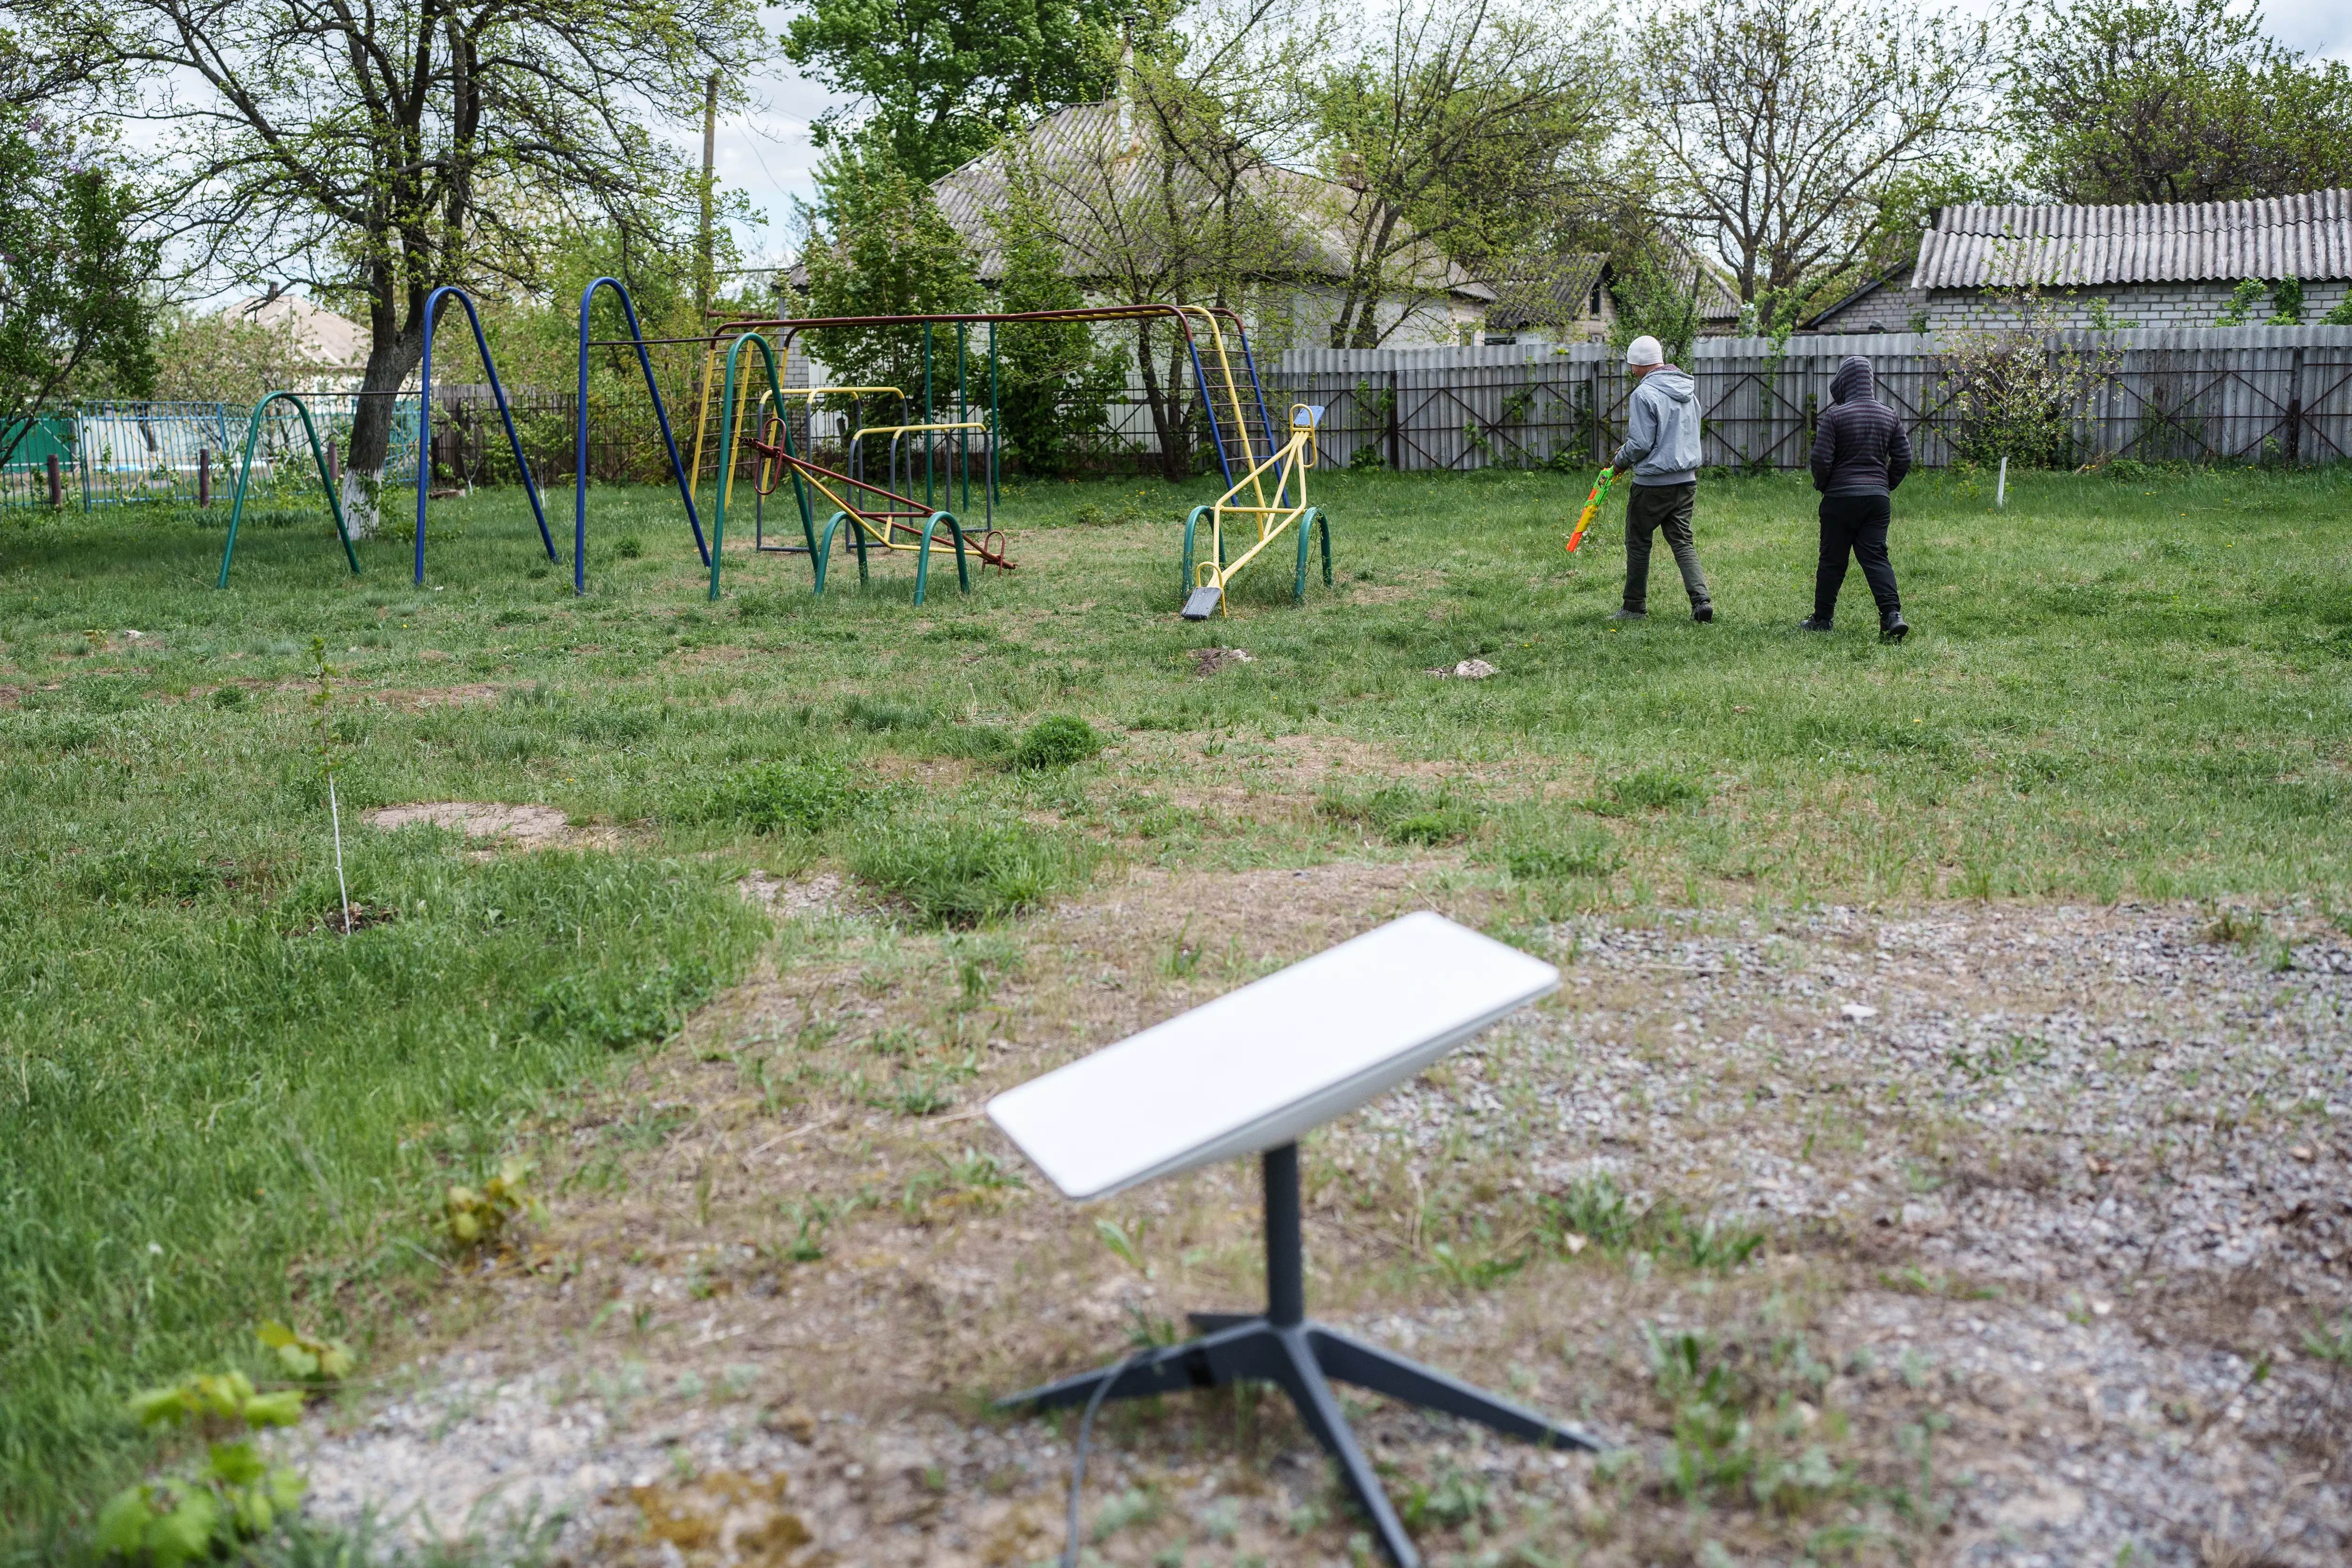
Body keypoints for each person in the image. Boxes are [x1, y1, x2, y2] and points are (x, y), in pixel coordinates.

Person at [1803, 354, 1911, 642]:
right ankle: (1892, 616)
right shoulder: (1889, 415)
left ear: (1845, 383)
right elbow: (1904, 457)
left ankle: (1822, 620)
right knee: (1876, 557)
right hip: (1877, 501)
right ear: (1869, 381)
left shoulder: (1836, 416)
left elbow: (1820, 458)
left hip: (1840, 498)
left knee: (1832, 559)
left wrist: (1824, 485)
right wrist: (1884, 485)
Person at [1604, 334, 1711, 623]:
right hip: (1686, 481)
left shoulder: (1644, 394)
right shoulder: (1688, 391)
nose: (1631, 370)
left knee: (1639, 541)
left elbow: (1640, 444)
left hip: (1652, 484)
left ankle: (1634, 608)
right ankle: (1701, 601)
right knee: (1683, 541)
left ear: (1639, 364)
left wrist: (1620, 461)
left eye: (1632, 365)